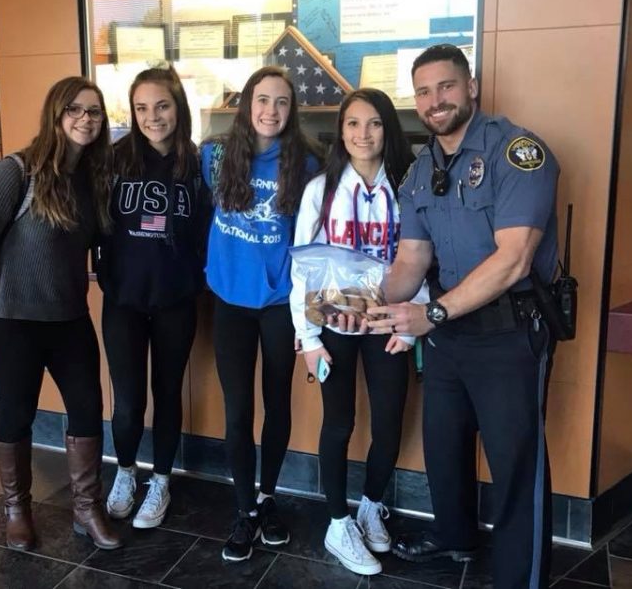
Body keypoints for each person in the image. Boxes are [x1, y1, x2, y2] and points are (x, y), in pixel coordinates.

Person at [363, 44, 559, 589]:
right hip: (447, 333)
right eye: (423, 91)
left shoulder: (517, 153)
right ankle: (456, 540)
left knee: (515, 462)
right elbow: (412, 258)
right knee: (444, 445)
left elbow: (515, 257)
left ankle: (522, 578)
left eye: (445, 86)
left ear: (471, 86)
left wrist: (433, 311)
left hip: (509, 332)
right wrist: (367, 305)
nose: (434, 100)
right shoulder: (422, 170)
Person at [0, 76, 121, 552]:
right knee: (17, 414)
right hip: (14, 321)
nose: (86, 119)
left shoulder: (91, 178)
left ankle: (88, 510)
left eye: (94, 112)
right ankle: (16, 511)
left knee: (88, 409)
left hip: (69, 319)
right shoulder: (17, 171)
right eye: (75, 110)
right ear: (55, 114)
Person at [290, 89, 420, 576]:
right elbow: (302, 270)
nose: (362, 134)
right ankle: (338, 522)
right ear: (340, 131)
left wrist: (411, 325)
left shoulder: (409, 187)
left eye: (374, 124)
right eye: (352, 124)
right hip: (335, 323)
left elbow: (424, 257)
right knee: (339, 423)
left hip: (390, 322)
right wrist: (308, 338)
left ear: (389, 128)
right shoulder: (319, 190)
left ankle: (369, 506)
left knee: (389, 419)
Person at [201, 65, 321, 562]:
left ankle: (267, 496)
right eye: (263, 100)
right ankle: (243, 508)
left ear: (291, 112)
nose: (271, 111)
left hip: (277, 306)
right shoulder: (215, 155)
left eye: (282, 102)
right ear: (247, 103)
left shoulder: (307, 164)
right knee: (237, 410)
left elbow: (314, 241)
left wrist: (309, 318)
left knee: (277, 404)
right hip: (230, 301)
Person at [97, 66, 205, 529]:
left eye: (161, 105)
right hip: (122, 300)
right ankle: (125, 472)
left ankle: (160, 480)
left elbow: (205, 231)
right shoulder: (114, 159)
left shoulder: (196, 164)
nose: (152, 117)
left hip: (176, 300)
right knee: (126, 400)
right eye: (141, 108)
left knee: (167, 391)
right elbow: (95, 224)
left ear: (178, 107)